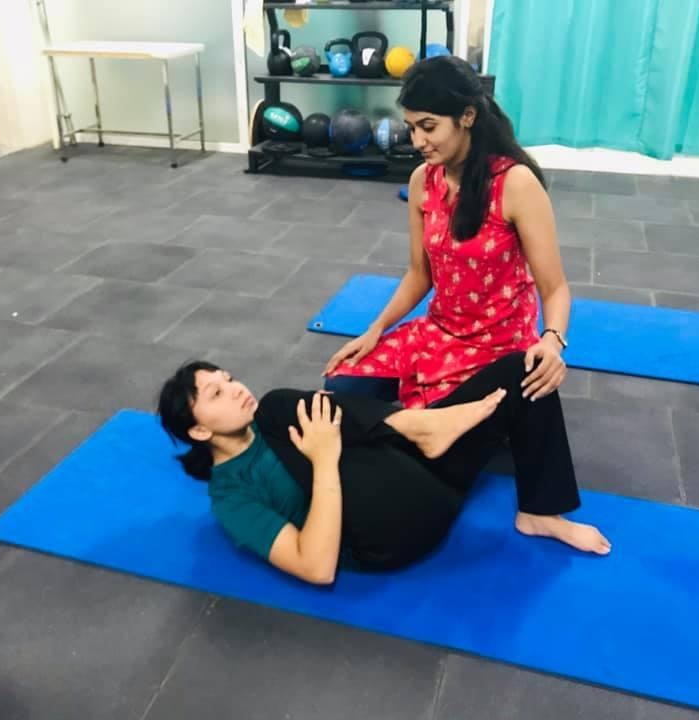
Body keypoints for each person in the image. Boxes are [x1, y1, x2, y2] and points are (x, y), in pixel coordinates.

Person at [157, 353, 611, 586]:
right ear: (198, 430)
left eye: (229, 379)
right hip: (390, 528)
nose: (236, 388)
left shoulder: (271, 416)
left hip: (422, 473)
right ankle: (420, 425)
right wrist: (324, 460)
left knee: (523, 370)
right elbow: (315, 567)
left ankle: (538, 511)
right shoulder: (231, 495)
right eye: (216, 394)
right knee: (288, 411)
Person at [324, 55, 570, 410]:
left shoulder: (515, 184)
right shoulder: (422, 181)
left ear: (467, 116)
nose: (418, 141)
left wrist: (551, 341)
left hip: (499, 346)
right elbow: (419, 274)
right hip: (439, 332)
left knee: (436, 429)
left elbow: (555, 287)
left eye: (428, 126)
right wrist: (376, 329)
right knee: (341, 384)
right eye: (411, 128)